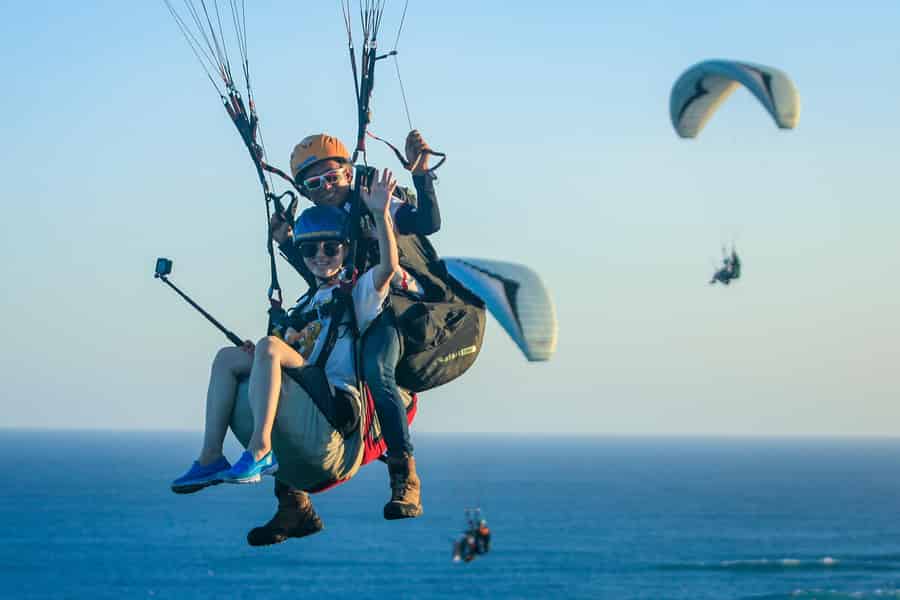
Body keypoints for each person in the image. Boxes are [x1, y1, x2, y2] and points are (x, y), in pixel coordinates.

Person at [171, 168, 402, 541]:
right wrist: (262, 355)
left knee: (269, 346)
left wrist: (379, 213)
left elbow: (388, 268)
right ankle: (211, 455)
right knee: (227, 358)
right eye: (310, 250)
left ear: (345, 249)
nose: (320, 256)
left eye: (331, 248)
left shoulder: (358, 292)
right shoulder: (308, 302)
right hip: (309, 391)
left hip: (338, 403)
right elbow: (286, 354)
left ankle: (260, 450)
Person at [259, 132, 439, 543]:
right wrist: (287, 243)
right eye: (313, 185)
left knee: (377, 368)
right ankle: (293, 504)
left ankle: (405, 476)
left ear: (348, 168)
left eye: (332, 176)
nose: (325, 188)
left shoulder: (372, 197)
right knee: (295, 377)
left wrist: (421, 175)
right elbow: (323, 273)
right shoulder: (322, 223)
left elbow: (427, 223)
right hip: (347, 307)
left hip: (388, 306)